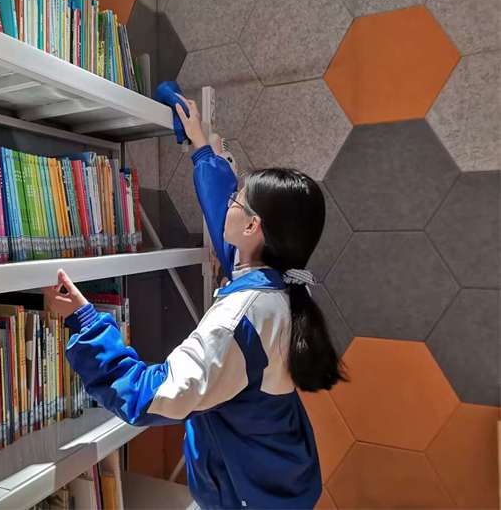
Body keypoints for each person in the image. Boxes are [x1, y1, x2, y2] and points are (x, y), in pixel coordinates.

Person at [44, 95, 347, 509]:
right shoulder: (283, 285)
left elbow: (149, 396)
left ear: (253, 227)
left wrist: (85, 321)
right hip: (277, 479)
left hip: (247, 496)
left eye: (237, 199)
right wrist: (202, 150)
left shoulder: (237, 321)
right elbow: (228, 233)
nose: (229, 202)